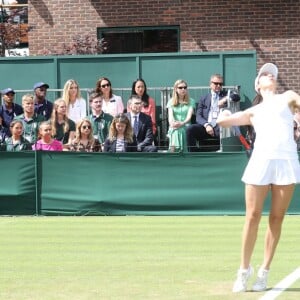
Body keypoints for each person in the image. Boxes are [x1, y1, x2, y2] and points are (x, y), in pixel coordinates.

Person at [216, 63, 300, 293]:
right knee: (252, 216)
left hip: (286, 161)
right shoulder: (253, 112)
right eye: (264, 74)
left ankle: (264, 271)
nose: (269, 75)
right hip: (260, 162)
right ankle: (244, 271)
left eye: (272, 74)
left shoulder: (289, 96)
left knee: (276, 219)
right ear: (258, 85)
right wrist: (222, 112)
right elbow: (223, 123)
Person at [186, 74, 227, 152]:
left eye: (220, 84)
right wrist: (207, 125)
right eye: (216, 83)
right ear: (210, 84)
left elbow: (236, 96)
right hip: (205, 127)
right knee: (190, 129)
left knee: (224, 129)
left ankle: (225, 152)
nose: (218, 85)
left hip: (219, 127)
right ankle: (192, 153)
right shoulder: (204, 98)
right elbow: (198, 116)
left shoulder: (225, 95)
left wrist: (225, 99)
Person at [167, 79, 194, 152]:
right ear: (175, 89)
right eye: (180, 87)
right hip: (174, 126)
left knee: (180, 130)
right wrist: (173, 124)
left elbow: (189, 117)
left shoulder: (191, 101)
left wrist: (182, 123)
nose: (183, 89)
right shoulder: (171, 101)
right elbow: (170, 117)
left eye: (185, 87)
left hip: (186, 126)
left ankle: (174, 151)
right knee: (175, 130)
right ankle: (175, 151)